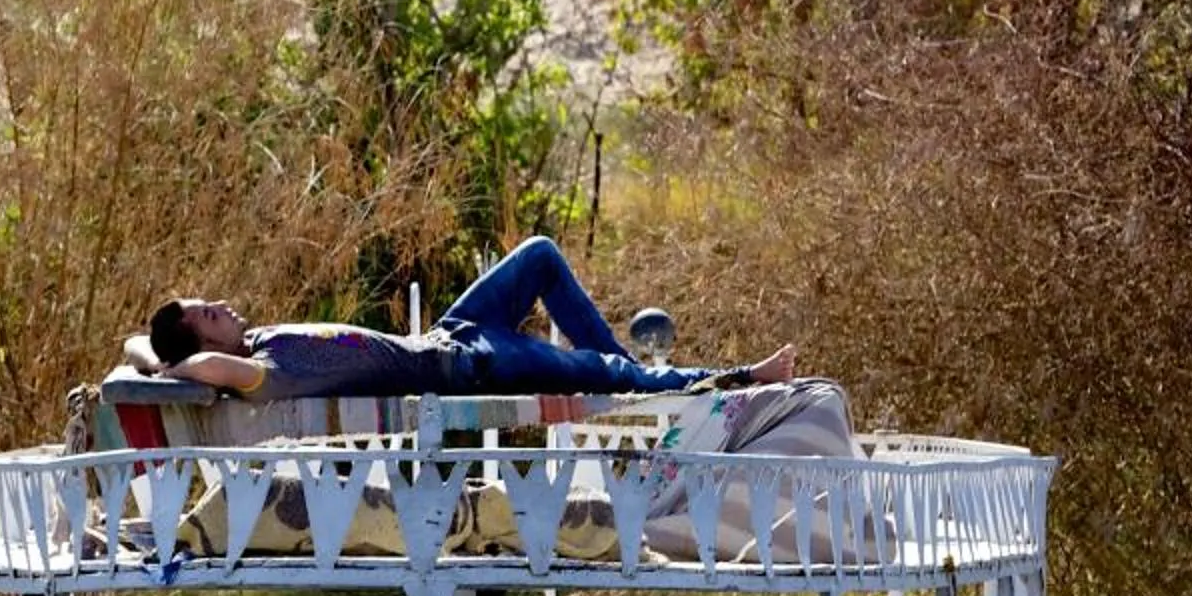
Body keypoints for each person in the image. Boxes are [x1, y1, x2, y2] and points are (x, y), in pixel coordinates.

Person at [143, 235, 797, 401]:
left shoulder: (258, 337)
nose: (222, 306)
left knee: (539, 255)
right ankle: (745, 376)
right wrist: (172, 360)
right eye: (209, 313)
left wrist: (154, 350)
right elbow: (196, 365)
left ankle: (628, 371)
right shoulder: (264, 372)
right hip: (470, 367)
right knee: (604, 375)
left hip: (449, 333)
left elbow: (137, 343)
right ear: (204, 345)